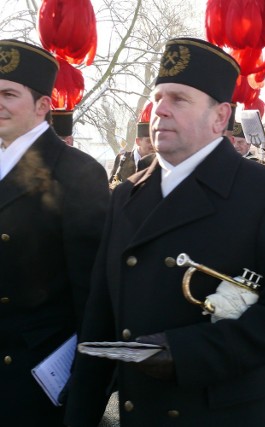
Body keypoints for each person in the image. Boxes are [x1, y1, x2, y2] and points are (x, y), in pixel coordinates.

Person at [64, 37, 265, 427]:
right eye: (158, 97)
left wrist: (187, 353)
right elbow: (100, 316)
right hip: (141, 410)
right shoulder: (127, 195)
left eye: (179, 100)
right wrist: (79, 413)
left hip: (219, 411)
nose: (159, 110)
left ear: (220, 117)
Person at [0, 39, 109, 427]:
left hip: (33, 371)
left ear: (43, 106)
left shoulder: (77, 172)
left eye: (9, 94)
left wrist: (86, 387)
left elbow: (93, 293)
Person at [108, 104, 155, 187]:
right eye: (149, 141)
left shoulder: (159, 163)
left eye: (155, 141)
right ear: (138, 141)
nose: (153, 145)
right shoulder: (123, 159)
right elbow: (112, 187)